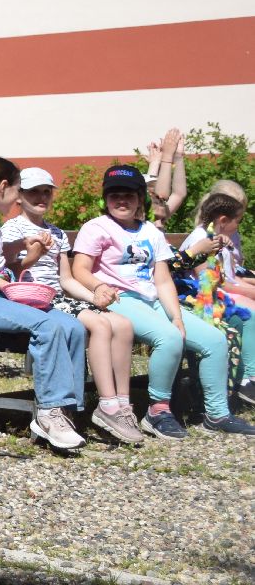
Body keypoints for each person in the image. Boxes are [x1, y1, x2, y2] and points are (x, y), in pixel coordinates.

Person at [72, 164, 255, 438]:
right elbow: (80, 270)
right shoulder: (96, 228)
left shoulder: (150, 232)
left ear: (139, 200)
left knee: (214, 340)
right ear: (105, 199)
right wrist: (99, 287)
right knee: (169, 338)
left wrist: (177, 316)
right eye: (114, 195)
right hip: (119, 299)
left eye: (129, 195)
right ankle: (157, 412)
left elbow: (162, 280)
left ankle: (216, 414)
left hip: (152, 299)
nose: (121, 201)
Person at [0, 157, 89, 451]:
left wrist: (30, 250)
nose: (16, 199)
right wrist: (2, 283)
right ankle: (49, 412)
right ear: (3, 187)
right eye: (17, 191)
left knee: (74, 327)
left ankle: (69, 409)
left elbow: (5, 262)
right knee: (47, 325)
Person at [1, 167, 142, 445]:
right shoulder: (13, 228)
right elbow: (10, 268)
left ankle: (121, 403)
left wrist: (94, 296)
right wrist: (33, 253)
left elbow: (65, 278)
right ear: (19, 195)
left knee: (122, 324)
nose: (41, 197)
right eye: (33, 192)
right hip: (31, 297)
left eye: (46, 192)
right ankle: (106, 405)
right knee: (100, 325)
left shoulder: (57, 233)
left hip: (58, 296)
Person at [174, 191, 255, 408]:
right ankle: (249, 379)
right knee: (250, 316)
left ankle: (245, 378)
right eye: (238, 222)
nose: (238, 227)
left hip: (218, 294)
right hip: (202, 299)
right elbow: (209, 281)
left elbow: (231, 275)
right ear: (223, 220)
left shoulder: (218, 238)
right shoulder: (202, 240)